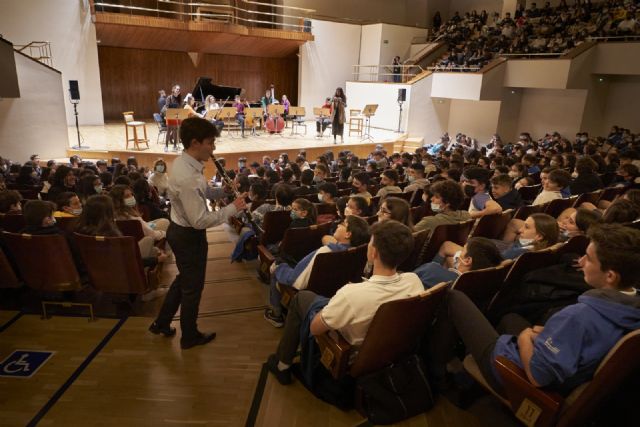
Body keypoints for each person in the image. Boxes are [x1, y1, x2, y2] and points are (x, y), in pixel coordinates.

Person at [428, 224, 640, 397]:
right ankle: (467, 376)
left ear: (611, 276)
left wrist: (524, 337)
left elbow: (538, 376)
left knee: (453, 297)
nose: (581, 261)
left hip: (514, 375)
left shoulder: (580, 316)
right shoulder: (630, 306)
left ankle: (437, 377)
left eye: (589, 258)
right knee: (510, 317)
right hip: (558, 363)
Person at [266, 220, 424, 385]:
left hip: (347, 351)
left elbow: (315, 328)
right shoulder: (414, 280)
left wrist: (335, 303)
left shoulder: (351, 294)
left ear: (374, 253)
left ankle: (282, 365)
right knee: (310, 298)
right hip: (386, 349)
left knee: (301, 298)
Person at [150, 117, 247, 349]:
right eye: (210, 143)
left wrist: (221, 191)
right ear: (195, 143)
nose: (213, 148)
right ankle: (189, 336)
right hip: (188, 236)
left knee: (185, 279)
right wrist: (234, 208)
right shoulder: (188, 177)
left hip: (180, 231)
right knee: (193, 288)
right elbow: (200, 220)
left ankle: (161, 323)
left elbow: (201, 192)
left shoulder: (186, 163)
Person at [264, 215, 371, 327]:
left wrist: (279, 268)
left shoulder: (325, 252)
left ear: (348, 234)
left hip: (308, 294)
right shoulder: (359, 253)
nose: (338, 225)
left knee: (277, 265)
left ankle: (276, 314)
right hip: (334, 296)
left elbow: (297, 282)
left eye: (343, 224)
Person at [414, 237, 503, 289]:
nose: (458, 253)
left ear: (467, 261)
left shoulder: (431, 270)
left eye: (463, 250)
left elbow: (405, 279)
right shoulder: (481, 287)